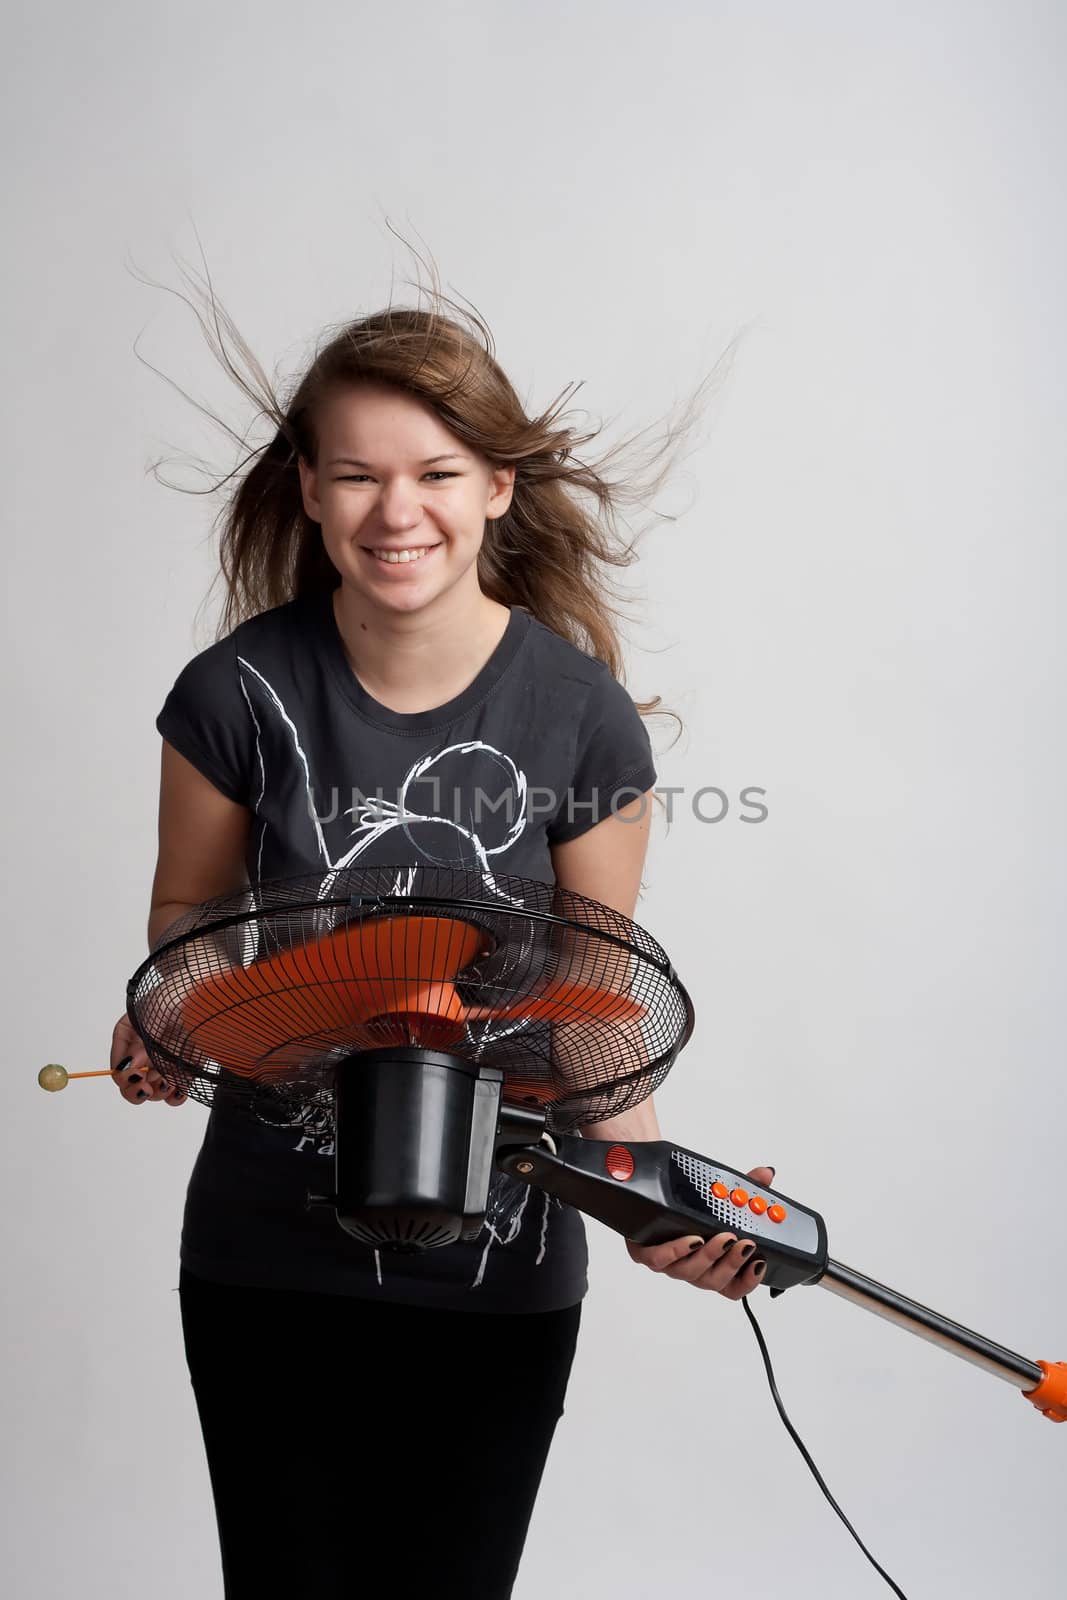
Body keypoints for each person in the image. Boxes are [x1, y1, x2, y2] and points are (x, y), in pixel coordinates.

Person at [109, 271, 774, 1599]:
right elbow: (190, 913)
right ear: (307, 491)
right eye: (355, 474)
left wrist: (663, 1203)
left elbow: (597, 984)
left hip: (502, 1264)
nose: (395, 509)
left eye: (435, 470)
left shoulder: (582, 717)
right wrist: (172, 1003)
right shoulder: (235, 692)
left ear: (496, 489)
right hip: (267, 1247)